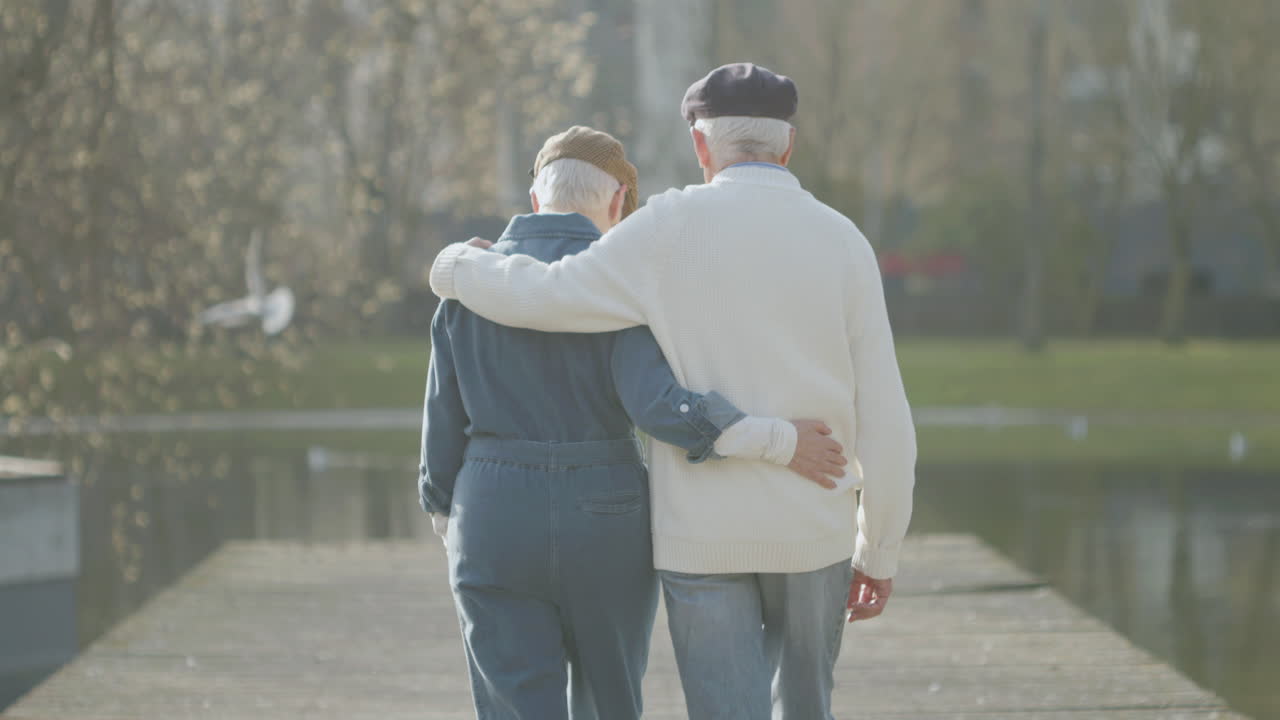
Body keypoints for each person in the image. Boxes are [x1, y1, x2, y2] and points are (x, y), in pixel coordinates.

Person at [428, 64, 918, 720]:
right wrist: (878, 549)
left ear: (700, 145)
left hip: (697, 535)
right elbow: (885, 417)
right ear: (789, 144)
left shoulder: (661, 232)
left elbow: (545, 294)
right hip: (814, 528)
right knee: (805, 707)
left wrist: (456, 263)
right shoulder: (845, 241)